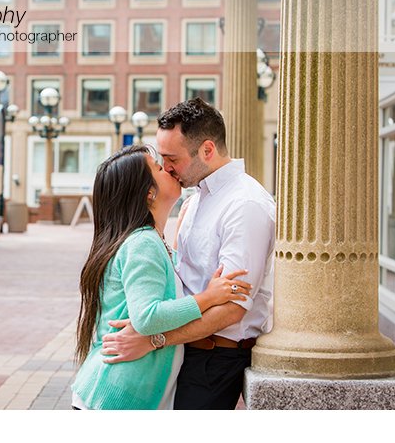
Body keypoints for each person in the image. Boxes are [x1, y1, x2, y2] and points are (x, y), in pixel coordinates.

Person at [100, 98, 275, 410]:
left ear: (207, 150)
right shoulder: (194, 200)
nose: (166, 168)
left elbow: (233, 310)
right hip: (183, 350)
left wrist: (154, 339)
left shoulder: (245, 205)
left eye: (172, 159)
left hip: (215, 358)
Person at [71, 145, 253, 410]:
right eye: (158, 167)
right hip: (115, 398)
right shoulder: (142, 243)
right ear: (148, 193)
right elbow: (148, 317)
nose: (168, 168)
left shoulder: (148, 239)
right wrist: (209, 297)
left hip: (117, 394)